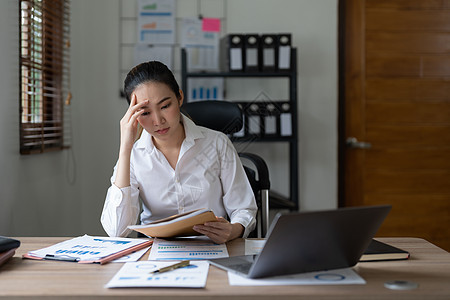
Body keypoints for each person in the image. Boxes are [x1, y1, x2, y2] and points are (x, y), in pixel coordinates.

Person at [101, 61, 257, 244]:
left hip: (212, 247)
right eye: (145, 112)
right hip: (156, 253)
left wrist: (232, 230)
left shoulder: (217, 143)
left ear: (180, 97)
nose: (158, 121)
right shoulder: (135, 155)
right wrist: (125, 148)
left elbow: (244, 209)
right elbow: (116, 230)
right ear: (132, 115)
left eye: (165, 106)